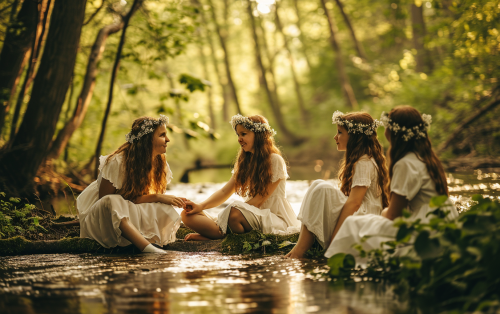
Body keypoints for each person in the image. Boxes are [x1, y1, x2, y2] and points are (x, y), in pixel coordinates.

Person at [324, 106, 459, 259]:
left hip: (425, 227)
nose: (384, 130)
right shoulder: (428, 159)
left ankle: (331, 259)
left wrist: (381, 213)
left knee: (352, 225)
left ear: (395, 132)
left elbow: (394, 215)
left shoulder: (405, 164)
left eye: (387, 125)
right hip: (444, 219)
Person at [286, 111, 389, 258]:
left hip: (364, 223)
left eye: (340, 132)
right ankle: (300, 247)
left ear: (354, 137)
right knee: (318, 185)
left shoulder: (364, 162)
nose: (335, 137)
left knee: (322, 188)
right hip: (360, 217)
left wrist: (336, 239)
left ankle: (299, 251)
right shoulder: (363, 160)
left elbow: (354, 203)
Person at [181, 114, 300, 240]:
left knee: (234, 211)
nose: (239, 139)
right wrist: (200, 206)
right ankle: (218, 234)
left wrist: (228, 214)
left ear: (259, 135)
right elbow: (224, 191)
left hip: (274, 218)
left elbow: (259, 200)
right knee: (187, 214)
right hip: (249, 215)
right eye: (238, 135)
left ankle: (215, 236)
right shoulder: (244, 162)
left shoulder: (275, 160)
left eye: (243, 134)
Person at [77, 115, 185, 253]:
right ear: (148, 139)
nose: (167, 140)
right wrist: (158, 197)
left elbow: (141, 199)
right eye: (162, 135)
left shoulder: (159, 164)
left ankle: (150, 241)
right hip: (100, 218)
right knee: (112, 200)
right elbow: (104, 203)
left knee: (162, 207)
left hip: (129, 209)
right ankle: (147, 248)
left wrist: (160, 198)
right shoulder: (118, 162)